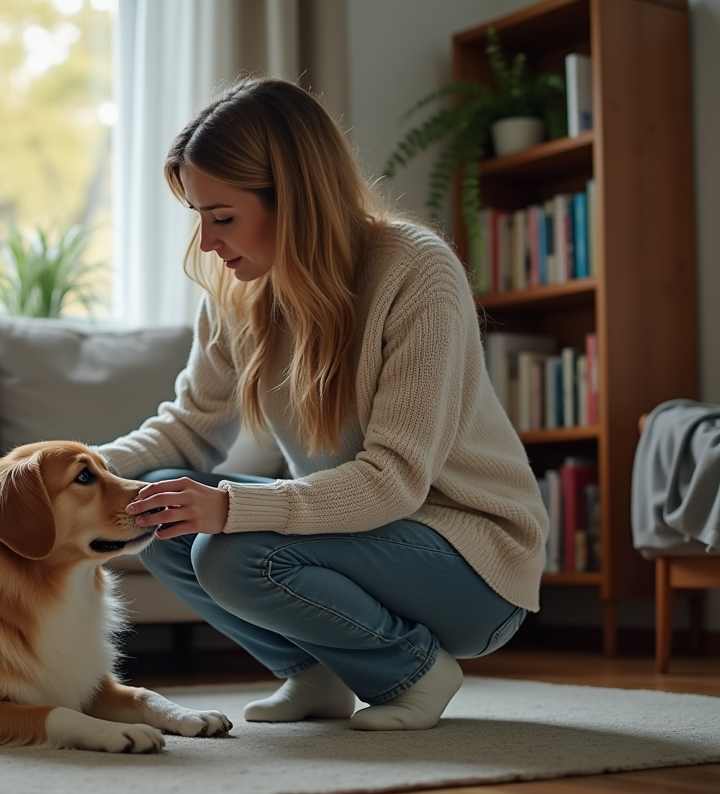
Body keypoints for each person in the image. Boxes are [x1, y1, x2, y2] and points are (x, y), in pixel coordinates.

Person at [94, 75, 548, 732]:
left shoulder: (417, 273)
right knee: (155, 506)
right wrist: (73, 467)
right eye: (199, 219)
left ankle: (414, 669)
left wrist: (230, 509)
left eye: (223, 218)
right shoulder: (237, 294)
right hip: (358, 538)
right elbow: (189, 429)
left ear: (298, 198)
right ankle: (316, 673)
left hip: (472, 560)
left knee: (227, 549)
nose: (209, 246)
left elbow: (393, 481)